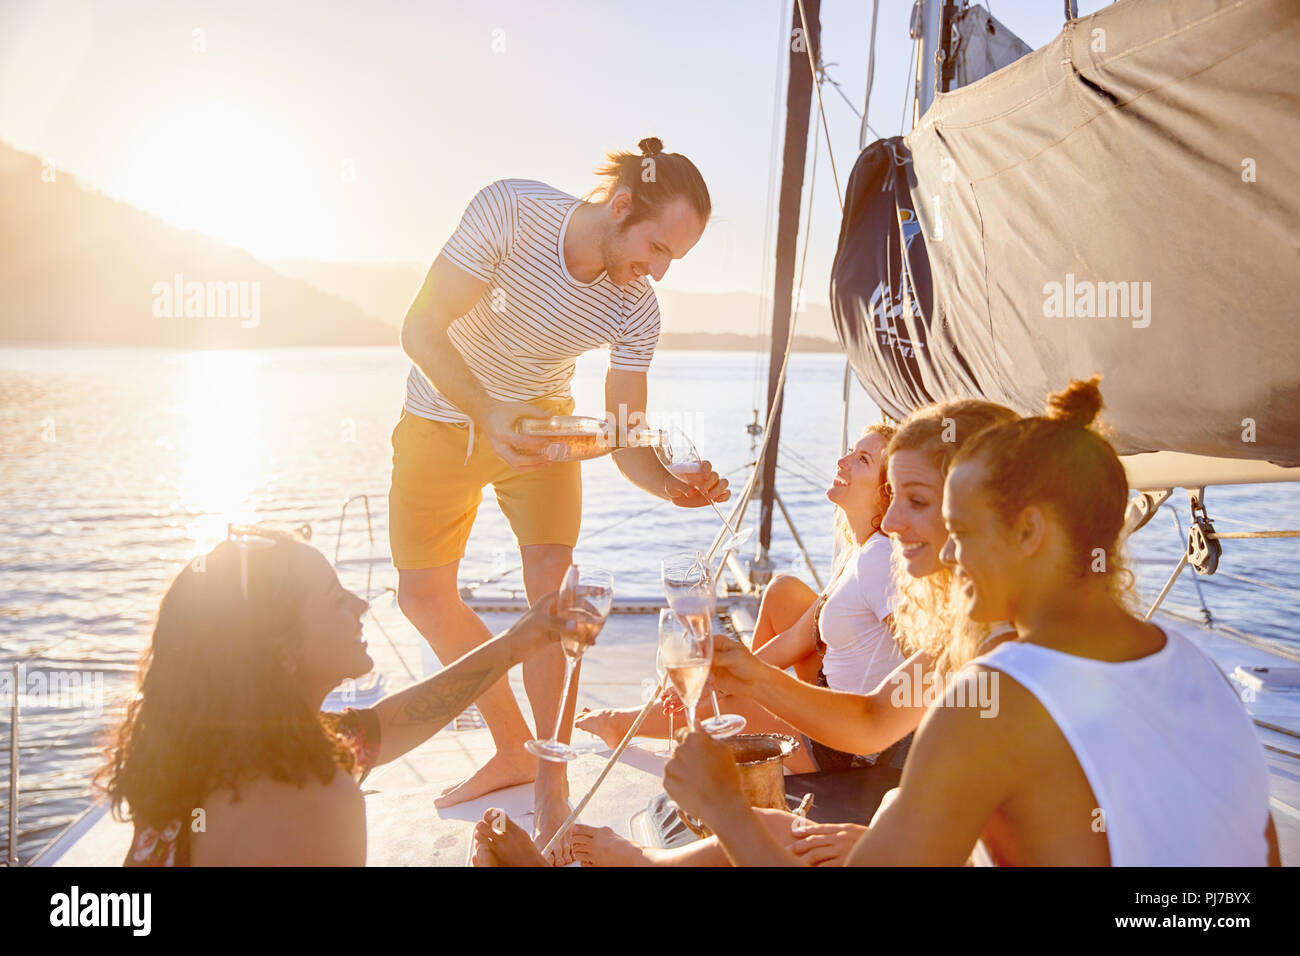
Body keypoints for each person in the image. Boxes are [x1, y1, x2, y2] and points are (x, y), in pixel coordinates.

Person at [663, 378, 1282, 866]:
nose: (946, 552)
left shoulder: (992, 696)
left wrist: (723, 806)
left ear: (1029, 530)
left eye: (957, 526)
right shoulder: (1192, 667)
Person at [482, 400, 1022, 866]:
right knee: (781, 823)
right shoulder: (969, 635)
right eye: (898, 498)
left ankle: (639, 859)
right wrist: (752, 674)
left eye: (921, 502)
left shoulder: (1016, 661)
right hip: (904, 828)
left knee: (769, 823)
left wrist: (872, 837)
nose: (895, 522)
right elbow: (876, 719)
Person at [391, 137, 730, 847]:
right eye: (657, 248)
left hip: (544, 434)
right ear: (621, 205)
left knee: (553, 588)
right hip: (442, 419)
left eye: (675, 260)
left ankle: (550, 773)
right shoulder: (510, 212)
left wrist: (671, 487)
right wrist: (486, 412)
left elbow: (625, 433)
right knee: (422, 598)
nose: (658, 272)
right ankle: (510, 744)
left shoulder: (635, 308)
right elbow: (419, 326)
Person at [95, 526, 593, 866]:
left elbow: (389, 725)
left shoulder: (211, 754)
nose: (360, 605)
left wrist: (517, 642)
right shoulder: (312, 800)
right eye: (336, 599)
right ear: (282, 650)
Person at [576, 424, 905, 773]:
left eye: (862, 460)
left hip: (843, 747)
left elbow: (923, 654)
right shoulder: (860, 551)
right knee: (783, 591)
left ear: (887, 494)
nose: (842, 461)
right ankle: (742, 696)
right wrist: (726, 677)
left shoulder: (878, 560)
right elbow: (797, 638)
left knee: (713, 712)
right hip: (832, 700)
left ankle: (617, 722)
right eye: (852, 450)